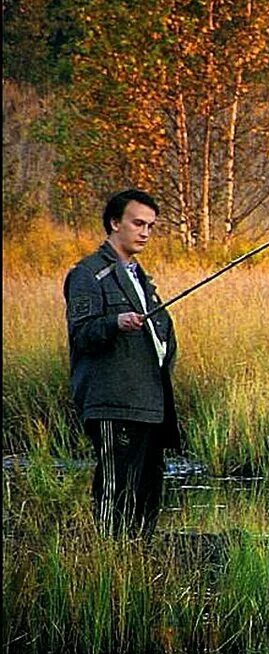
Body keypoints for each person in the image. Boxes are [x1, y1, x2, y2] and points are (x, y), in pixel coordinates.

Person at [64, 189, 180, 539]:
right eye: (138, 223)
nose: (145, 232)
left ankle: (138, 559)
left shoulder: (141, 278)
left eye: (151, 226)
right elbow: (81, 334)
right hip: (112, 400)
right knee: (116, 490)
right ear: (115, 223)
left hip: (149, 402)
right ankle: (109, 560)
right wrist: (116, 323)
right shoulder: (88, 273)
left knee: (147, 489)